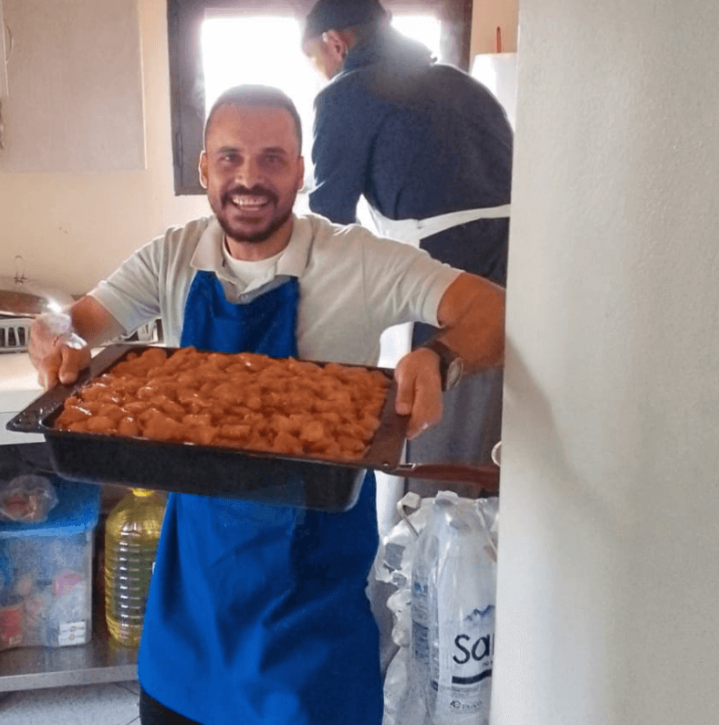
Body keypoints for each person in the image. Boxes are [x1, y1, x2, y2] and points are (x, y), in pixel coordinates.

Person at [28, 85, 505, 725]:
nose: (249, 178)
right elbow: (77, 317)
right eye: (229, 158)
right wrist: (55, 328)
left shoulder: (355, 259)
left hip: (309, 604)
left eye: (272, 159)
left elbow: (493, 311)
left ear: (301, 172)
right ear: (203, 169)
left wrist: (439, 358)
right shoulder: (173, 254)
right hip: (192, 598)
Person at [301, 0, 513, 478]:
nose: (322, 74)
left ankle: (428, 532)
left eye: (316, 61)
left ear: (338, 43)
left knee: (432, 432)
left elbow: (328, 219)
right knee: (502, 434)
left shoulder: (344, 96)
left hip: (448, 268)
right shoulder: (465, 85)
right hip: (525, 263)